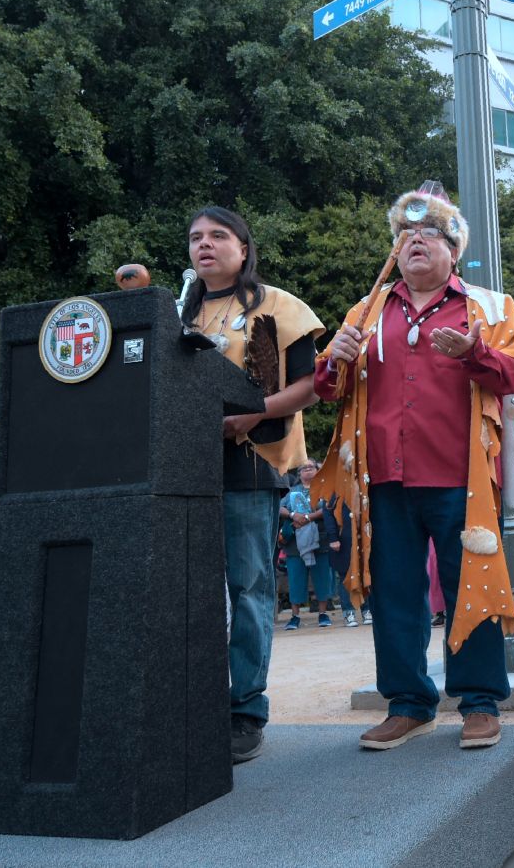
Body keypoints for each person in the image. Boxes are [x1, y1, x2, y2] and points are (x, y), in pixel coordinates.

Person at [312, 181, 514, 752]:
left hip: (462, 479)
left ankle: (480, 702)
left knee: (472, 584)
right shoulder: (366, 311)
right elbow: (330, 390)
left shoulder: (488, 306)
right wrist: (330, 363)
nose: (415, 242)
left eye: (430, 234)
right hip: (383, 477)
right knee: (395, 591)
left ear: (453, 250)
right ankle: (409, 703)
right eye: (406, 235)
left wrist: (475, 353)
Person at [184, 206, 324, 763]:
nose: (206, 245)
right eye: (196, 238)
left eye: (219, 236)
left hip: (250, 459)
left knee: (248, 586)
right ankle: (187, 702)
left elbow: (312, 385)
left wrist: (251, 413)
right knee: (187, 589)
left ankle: (244, 709)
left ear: (244, 248)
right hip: (182, 468)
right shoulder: (175, 313)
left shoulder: (277, 305)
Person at [279, 460, 337, 630]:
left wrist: (307, 518)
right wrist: (292, 514)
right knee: (296, 578)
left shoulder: (324, 488)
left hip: (321, 538)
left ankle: (323, 613)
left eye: (311, 467)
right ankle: (295, 616)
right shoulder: (292, 492)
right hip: (296, 542)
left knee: (322, 577)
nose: (308, 470)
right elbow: (279, 507)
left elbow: (329, 507)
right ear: (299, 473)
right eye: (304, 468)